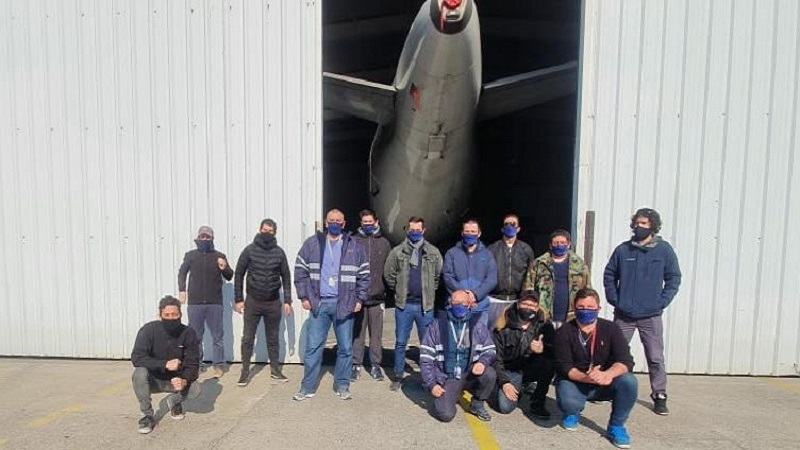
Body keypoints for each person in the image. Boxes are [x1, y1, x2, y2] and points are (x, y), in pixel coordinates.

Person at [603, 208, 681, 416]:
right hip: (624, 315)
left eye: (644, 223)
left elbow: (674, 278)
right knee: (614, 353)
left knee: (655, 357)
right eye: (637, 223)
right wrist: (615, 300)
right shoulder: (623, 250)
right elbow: (609, 275)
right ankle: (606, 387)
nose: (639, 227)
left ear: (653, 226)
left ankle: (660, 395)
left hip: (651, 315)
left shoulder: (664, 250)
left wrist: (661, 302)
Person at [293, 209, 369, 401]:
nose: (335, 223)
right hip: (320, 304)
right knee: (313, 348)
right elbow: (300, 270)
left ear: (344, 224)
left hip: (344, 304)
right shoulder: (312, 244)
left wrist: (359, 299)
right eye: (331, 220)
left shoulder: (354, 246)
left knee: (345, 348)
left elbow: (364, 275)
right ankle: (307, 387)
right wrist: (304, 296)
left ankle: (342, 385)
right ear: (326, 223)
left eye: (338, 221)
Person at [553, 288, 637, 449]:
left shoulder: (611, 329)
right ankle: (572, 412)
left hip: (604, 381)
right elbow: (563, 366)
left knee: (629, 381)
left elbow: (626, 361)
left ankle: (616, 426)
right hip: (577, 381)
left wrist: (607, 374)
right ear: (574, 307)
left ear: (598, 308)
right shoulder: (564, 331)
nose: (586, 311)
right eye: (581, 307)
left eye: (591, 308)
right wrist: (586, 378)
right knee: (567, 397)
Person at [383, 216, 443, 391]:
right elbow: (389, 274)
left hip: (426, 306)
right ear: (407, 230)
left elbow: (437, 276)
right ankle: (398, 376)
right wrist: (400, 289)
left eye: (418, 230)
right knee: (401, 342)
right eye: (412, 229)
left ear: (423, 231)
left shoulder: (433, 252)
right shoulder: (398, 252)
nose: (414, 232)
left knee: (427, 345)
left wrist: (429, 291)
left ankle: (427, 379)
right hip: (404, 305)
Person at [420, 290, 497, 422]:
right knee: (445, 414)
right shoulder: (437, 326)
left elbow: (490, 349)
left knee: (490, 374)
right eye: (456, 302)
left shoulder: (477, 325)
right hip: (448, 375)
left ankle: (477, 403)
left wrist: (483, 362)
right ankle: (447, 394)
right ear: (450, 303)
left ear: (470, 304)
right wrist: (431, 384)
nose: (459, 305)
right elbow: (426, 359)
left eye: (463, 303)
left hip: (469, 371)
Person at [233, 218, 293, 386]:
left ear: (275, 233)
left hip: (273, 302)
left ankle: (275, 370)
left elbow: (286, 276)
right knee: (248, 338)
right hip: (253, 301)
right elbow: (239, 274)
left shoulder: (279, 253)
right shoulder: (249, 250)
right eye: (265, 230)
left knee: (273, 338)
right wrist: (238, 299)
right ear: (260, 230)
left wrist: (287, 300)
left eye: (271, 231)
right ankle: (245, 371)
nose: (267, 233)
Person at [131, 296, 200, 434]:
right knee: (139, 373)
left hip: (174, 381)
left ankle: (174, 401)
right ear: (160, 314)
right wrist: (164, 364)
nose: (171, 318)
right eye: (167, 315)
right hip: (153, 380)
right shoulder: (149, 330)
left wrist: (184, 379)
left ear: (180, 314)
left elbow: (193, 364)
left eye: (174, 315)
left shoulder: (189, 333)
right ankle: (147, 415)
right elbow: (137, 358)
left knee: (195, 388)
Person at [177, 225, 234, 378]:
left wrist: (224, 267)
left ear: (212, 238)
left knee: (217, 336)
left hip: (214, 303)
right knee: (195, 337)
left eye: (207, 237)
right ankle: (197, 365)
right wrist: (182, 290)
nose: (205, 239)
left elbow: (229, 276)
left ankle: (218, 365)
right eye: (202, 236)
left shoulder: (219, 255)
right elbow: (182, 272)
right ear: (198, 238)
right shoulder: (190, 255)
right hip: (195, 303)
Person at [492, 289, 555, 418]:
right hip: (510, 370)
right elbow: (495, 359)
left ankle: (538, 401)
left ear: (537, 308)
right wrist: (505, 382)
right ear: (518, 304)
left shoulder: (544, 324)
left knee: (549, 362)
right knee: (505, 407)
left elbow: (556, 350)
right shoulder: (503, 324)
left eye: (532, 305)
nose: (528, 308)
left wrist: (543, 349)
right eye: (525, 304)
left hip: (531, 367)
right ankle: (516, 387)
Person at [350, 209, 392, 382]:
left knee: (376, 335)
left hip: (377, 298)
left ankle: (376, 365)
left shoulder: (384, 243)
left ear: (376, 221)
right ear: (361, 223)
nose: (367, 224)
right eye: (364, 222)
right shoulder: (352, 241)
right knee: (358, 335)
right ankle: (356, 365)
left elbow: (389, 271)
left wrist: (387, 292)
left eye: (370, 222)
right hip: (358, 298)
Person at [523, 229, 591, 329]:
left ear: (568, 245)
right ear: (550, 245)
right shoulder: (538, 264)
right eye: (556, 243)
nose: (559, 245)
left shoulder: (580, 265)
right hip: (544, 317)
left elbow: (588, 290)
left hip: (571, 318)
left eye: (563, 243)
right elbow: (528, 290)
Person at [443, 218, 497, 325]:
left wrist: (475, 294)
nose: (470, 234)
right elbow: (447, 276)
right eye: (467, 232)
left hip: (480, 307)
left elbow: (492, 279)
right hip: (457, 307)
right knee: (458, 340)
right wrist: (463, 295)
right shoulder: (452, 253)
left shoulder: (487, 254)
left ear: (479, 233)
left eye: (473, 232)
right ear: (462, 233)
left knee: (479, 340)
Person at [487, 214, 535, 326]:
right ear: (502, 229)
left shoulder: (526, 250)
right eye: (506, 224)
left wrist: (527, 297)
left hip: (516, 301)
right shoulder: (492, 249)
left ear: (518, 229)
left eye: (513, 224)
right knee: (494, 332)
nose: (510, 226)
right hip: (495, 300)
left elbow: (531, 274)